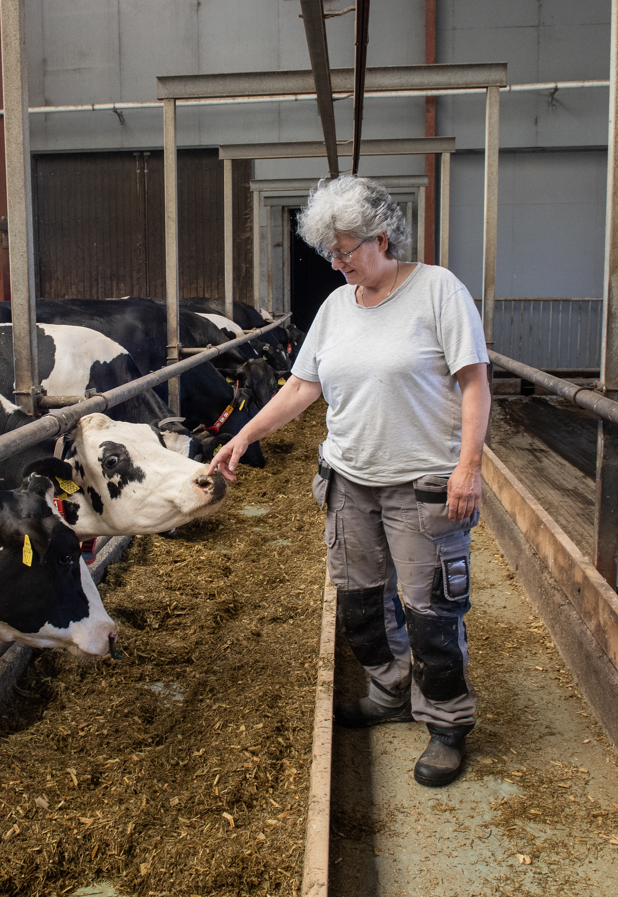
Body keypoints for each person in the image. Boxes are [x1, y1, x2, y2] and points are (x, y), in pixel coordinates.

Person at [206, 174, 491, 787]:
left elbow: (474, 383)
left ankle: (446, 722)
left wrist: (468, 466)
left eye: (343, 251)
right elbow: (301, 388)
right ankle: (390, 693)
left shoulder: (439, 290)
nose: (335, 264)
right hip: (348, 479)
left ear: (380, 239)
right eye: (329, 253)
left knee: (431, 610)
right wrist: (243, 435)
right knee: (361, 603)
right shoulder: (337, 307)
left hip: (421, 481)